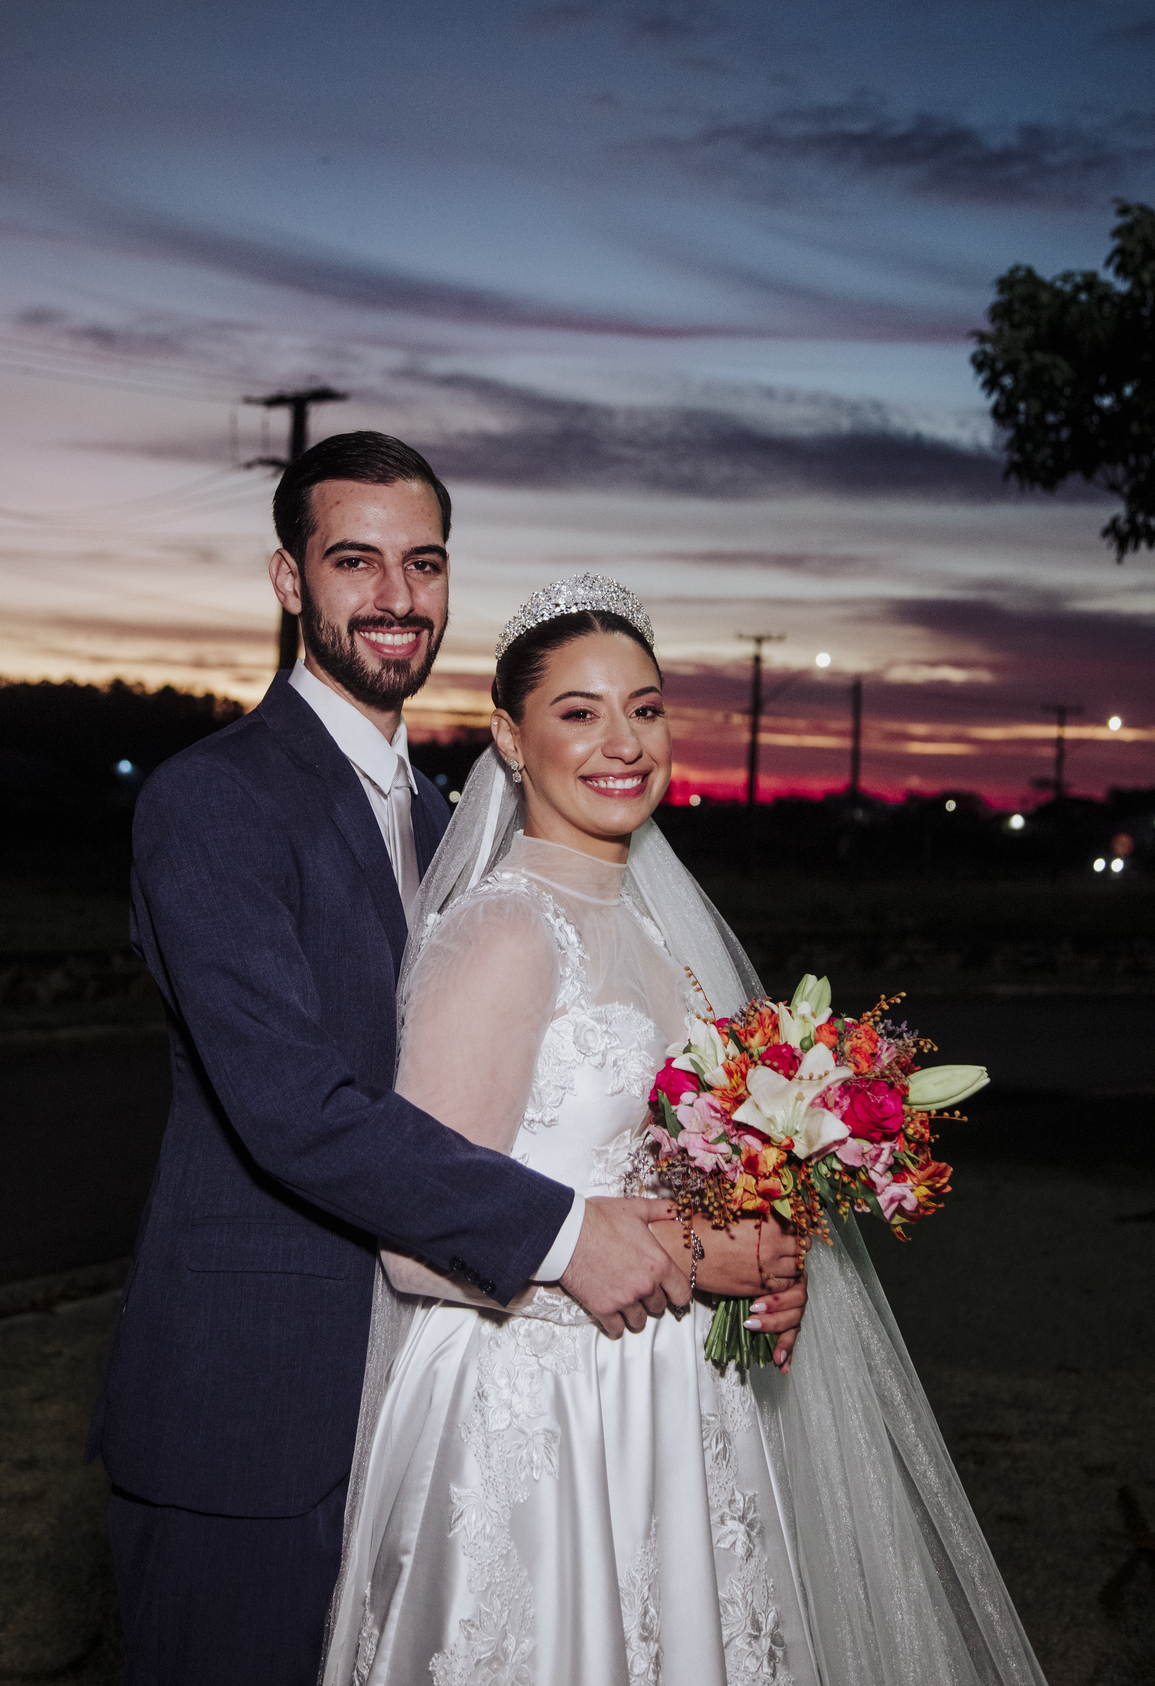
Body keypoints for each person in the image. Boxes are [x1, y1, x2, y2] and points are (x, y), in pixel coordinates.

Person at [87, 436, 807, 1686]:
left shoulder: (450, 822)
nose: (395, 595)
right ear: (288, 578)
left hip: (449, 1398)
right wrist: (574, 1238)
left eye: (423, 563)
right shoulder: (214, 802)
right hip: (257, 1400)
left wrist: (733, 1248)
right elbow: (294, 1107)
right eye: (354, 560)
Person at [321, 575, 1048, 1686]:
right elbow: (416, 1244)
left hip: (676, 1403)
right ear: (510, 738)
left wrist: (767, 1267)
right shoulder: (505, 931)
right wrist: (697, 1255)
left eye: (646, 709)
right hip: (542, 1416)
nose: (624, 743)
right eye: (580, 712)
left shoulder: (665, 934)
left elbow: (695, 1175)